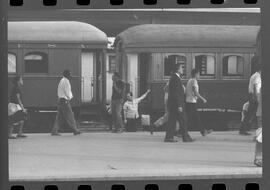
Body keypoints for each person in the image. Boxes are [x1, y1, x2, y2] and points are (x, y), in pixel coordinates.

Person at [165, 63, 194, 142]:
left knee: (172, 121)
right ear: (178, 69)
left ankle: (169, 137)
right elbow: (176, 93)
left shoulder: (174, 77)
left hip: (174, 104)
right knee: (183, 120)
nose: (182, 69)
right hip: (176, 104)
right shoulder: (175, 78)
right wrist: (179, 105)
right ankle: (185, 138)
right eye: (181, 68)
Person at [51, 70, 82, 136]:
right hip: (65, 100)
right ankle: (75, 130)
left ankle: (54, 130)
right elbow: (67, 91)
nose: (70, 76)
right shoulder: (66, 82)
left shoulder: (61, 80)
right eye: (69, 75)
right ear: (67, 75)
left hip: (60, 100)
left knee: (59, 117)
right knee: (70, 115)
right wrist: (69, 97)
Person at [185, 69, 212, 137]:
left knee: (192, 118)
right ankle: (203, 131)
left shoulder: (189, 80)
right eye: (198, 74)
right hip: (191, 102)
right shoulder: (194, 81)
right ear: (196, 74)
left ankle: (203, 131)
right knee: (194, 118)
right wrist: (203, 99)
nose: (199, 76)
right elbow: (195, 92)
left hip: (189, 101)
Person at [239, 60, 261, 135]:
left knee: (250, 114)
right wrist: (257, 98)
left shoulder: (255, 75)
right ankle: (243, 130)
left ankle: (243, 129)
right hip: (254, 97)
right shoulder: (257, 76)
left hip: (253, 96)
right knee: (251, 114)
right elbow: (255, 87)